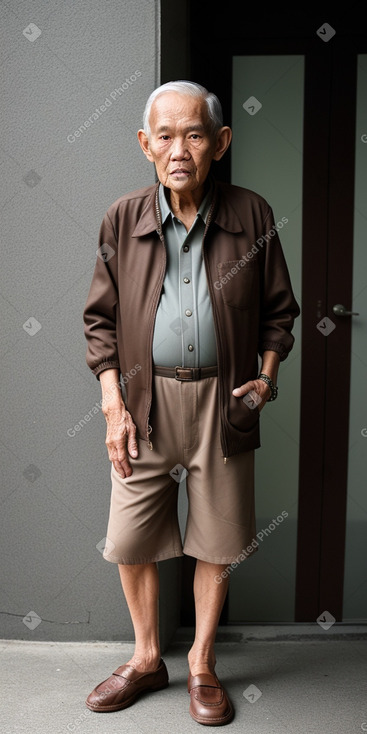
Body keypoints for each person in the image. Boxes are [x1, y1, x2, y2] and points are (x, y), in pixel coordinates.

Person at [83, 80, 300, 726]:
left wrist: (264, 379)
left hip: (220, 400)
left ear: (220, 143)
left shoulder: (252, 215)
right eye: (167, 136)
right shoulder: (122, 218)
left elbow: (278, 313)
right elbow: (99, 322)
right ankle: (146, 657)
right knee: (130, 539)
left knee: (217, 539)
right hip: (142, 404)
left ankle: (201, 665)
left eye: (196, 134)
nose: (180, 149)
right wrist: (112, 407)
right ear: (146, 145)